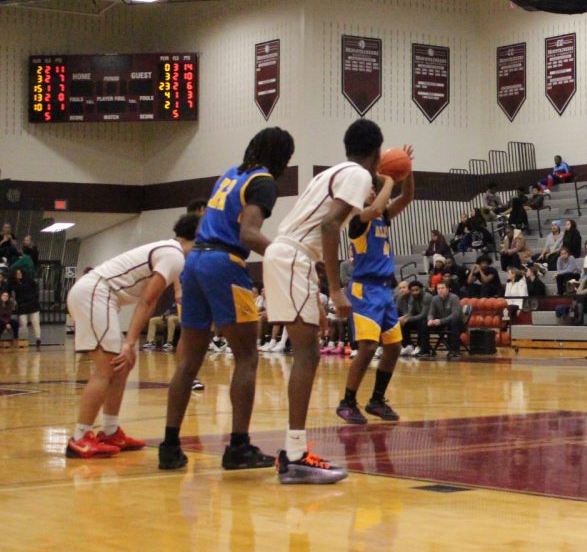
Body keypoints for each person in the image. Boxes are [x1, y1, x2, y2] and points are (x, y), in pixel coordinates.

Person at [159, 127, 294, 472]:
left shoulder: (231, 174)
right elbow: (248, 233)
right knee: (247, 356)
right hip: (224, 264)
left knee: (188, 360)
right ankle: (238, 446)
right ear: (281, 157)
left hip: (197, 261)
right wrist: (286, 257)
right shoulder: (263, 181)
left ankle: (170, 446)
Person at [262, 119, 382, 485]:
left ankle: (295, 451)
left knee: (307, 352)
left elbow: (322, 227)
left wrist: (315, 287)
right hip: (293, 258)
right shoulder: (358, 175)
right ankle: (296, 455)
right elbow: (331, 227)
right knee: (308, 356)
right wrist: (335, 288)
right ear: (376, 152)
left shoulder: (331, 174)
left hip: (289, 256)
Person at [66, 214, 198, 458]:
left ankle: (110, 430)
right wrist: (130, 342)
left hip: (99, 295)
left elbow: (150, 300)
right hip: (94, 293)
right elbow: (148, 300)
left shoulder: (170, 251)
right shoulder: (173, 254)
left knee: (121, 367)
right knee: (106, 369)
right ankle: (80, 436)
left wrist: (130, 344)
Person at [337, 165, 416, 425]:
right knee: (369, 347)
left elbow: (407, 198)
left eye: (375, 187)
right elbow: (376, 207)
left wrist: (407, 172)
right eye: (370, 188)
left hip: (384, 289)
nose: (374, 190)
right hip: (364, 289)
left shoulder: (382, 217)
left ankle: (377, 400)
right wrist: (389, 181)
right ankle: (347, 402)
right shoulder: (359, 220)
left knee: (393, 346)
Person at [426, 281, 464, 356]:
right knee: (424, 323)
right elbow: (430, 313)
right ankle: (425, 349)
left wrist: (441, 321)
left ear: (447, 289)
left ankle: (455, 350)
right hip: (441, 322)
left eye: (442, 288)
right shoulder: (434, 299)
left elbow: (455, 315)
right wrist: (430, 319)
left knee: (454, 322)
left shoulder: (454, 297)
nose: (440, 290)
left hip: (456, 323)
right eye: (438, 288)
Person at [397, 280, 430, 355]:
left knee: (422, 322)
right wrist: (403, 318)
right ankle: (408, 345)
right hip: (418, 319)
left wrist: (407, 318)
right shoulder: (410, 297)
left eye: (416, 290)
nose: (414, 292)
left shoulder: (426, 297)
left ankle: (421, 347)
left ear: (421, 289)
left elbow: (424, 314)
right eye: (412, 290)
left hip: (429, 320)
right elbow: (410, 312)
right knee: (403, 323)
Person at [11, 266, 40, 350]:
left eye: (20, 273)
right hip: (22, 305)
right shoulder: (15, 284)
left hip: (32, 304)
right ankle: (24, 340)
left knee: (35, 322)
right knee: (23, 323)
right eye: (17, 273)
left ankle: (38, 339)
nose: (19, 274)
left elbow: (36, 291)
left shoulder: (30, 281)